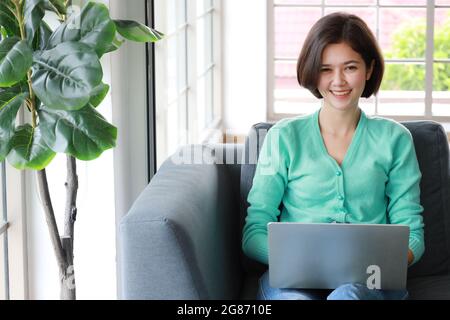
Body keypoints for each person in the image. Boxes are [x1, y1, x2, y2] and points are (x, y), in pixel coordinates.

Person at [242, 12, 425, 300]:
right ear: (313, 72)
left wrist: (378, 264)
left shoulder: (395, 139)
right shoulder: (283, 137)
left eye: (350, 67)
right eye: (326, 69)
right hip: (293, 284)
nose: (338, 81)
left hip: (367, 285)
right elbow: (253, 233)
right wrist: (303, 263)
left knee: (348, 296)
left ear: (369, 69)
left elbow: (413, 233)